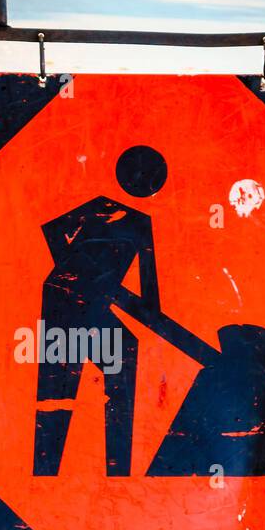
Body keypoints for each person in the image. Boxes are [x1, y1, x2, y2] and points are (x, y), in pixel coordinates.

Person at [33, 146, 166, 477]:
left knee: (125, 350)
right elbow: (51, 230)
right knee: (59, 382)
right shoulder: (99, 208)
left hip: (92, 302)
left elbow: (150, 301)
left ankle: (117, 471)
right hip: (62, 297)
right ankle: (46, 468)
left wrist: (114, 294)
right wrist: (81, 273)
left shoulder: (139, 222)